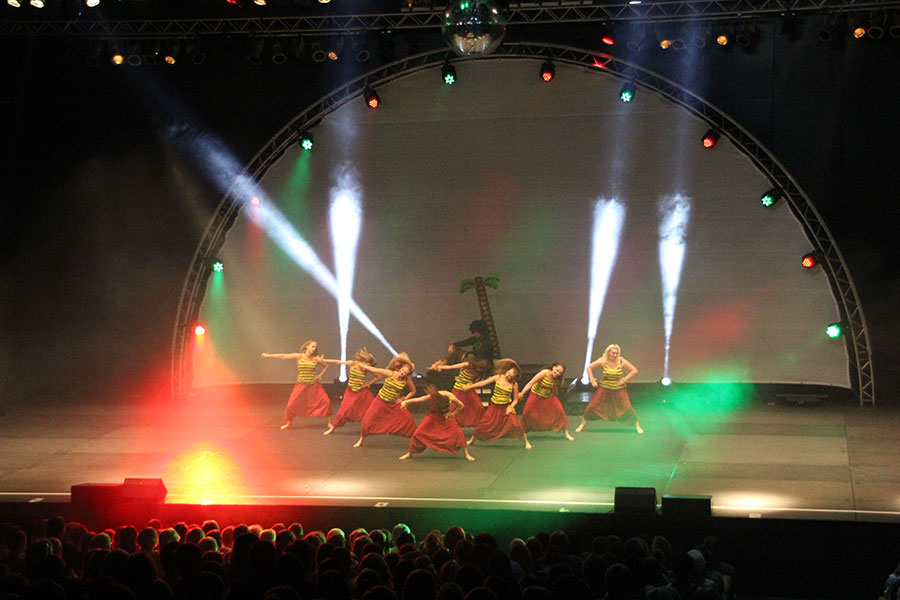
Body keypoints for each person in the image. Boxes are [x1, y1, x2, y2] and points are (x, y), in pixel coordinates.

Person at [261, 340, 332, 431]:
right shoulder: (299, 356)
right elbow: (284, 356)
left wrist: (319, 376)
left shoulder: (315, 358)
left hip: (314, 385)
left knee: (326, 401)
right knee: (291, 404)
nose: (314, 349)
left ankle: (329, 423)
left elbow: (326, 366)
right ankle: (288, 423)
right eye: (312, 346)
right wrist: (269, 355)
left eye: (315, 347)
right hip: (301, 385)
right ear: (307, 347)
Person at [463, 359, 531, 449]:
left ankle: (526, 442)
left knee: (515, 425)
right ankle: (472, 440)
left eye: (510, 376)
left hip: (505, 407)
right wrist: (470, 387)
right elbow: (483, 383)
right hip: (494, 407)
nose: (507, 375)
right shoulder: (498, 377)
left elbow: (515, 400)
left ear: (514, 377)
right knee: (483, 424)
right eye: (508, 373)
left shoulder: (514, 384)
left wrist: (511, 407)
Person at [354, 353, 418, 448]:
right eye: (402, 370)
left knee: (408, 419)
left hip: (393, 403)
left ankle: (417, 439)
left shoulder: (407, 380)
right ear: (400, 369)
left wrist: (404, 399)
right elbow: (376, 370)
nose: (402, 373)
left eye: (405, 373)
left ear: (407, 374)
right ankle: (361, 439)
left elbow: (413, 391)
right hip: (380, 401)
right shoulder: (391, 374)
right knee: (368, 419)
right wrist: (364, 366)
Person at [576, 343, 643, 434]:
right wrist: (592, 380)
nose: (615, 355)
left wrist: (624, 380)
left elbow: (634, 370)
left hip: (618, 389)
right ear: (608, 352)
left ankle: (637, 425)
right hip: (604, 388)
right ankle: (582, 424)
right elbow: (589, 367)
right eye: (613, 353)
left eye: (616, 353)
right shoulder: (603, 361)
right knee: (592, 406)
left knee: (627, 407)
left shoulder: (621, 361)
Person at [398, 384, 475, 461]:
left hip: (446, 416)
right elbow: (421, 399)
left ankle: (466, 454)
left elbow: (461, 405)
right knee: (417, 433)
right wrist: (406, 401)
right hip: (433, 416)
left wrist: (453, 413)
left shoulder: (450, 396)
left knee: (458, 433)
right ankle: (410, 453)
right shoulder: (433, 396)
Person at [322, 348, 381, 436]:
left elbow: (378, 377)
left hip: (362, 392)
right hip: (350, 392)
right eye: (367, 364)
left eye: (369, 365)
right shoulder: (353, 363)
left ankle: (375, 427)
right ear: (363, 361)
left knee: (371, 410)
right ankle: (333, 428)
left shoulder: (366, 369)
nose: (367, 366)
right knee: (343, 411)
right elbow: (336, 362)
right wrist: (323, 360)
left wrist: (368, 383)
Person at [519, 362, 574, 441]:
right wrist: (522, 393)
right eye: (557, 370)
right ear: (553, 367)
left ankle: (566, 434)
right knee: (526, 412)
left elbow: (555, 389)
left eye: (560, 373)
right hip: (536, 395)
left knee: (560, 410)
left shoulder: (558, 379)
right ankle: (522, 432)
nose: (557, 373)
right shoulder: (544, 373)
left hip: (549, 396)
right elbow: (531, 383)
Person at [429, 356, 489, 427]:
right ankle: (450, 423)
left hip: (469, 391)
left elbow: (475, 383)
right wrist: (439, 367)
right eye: (480, 368)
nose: (480, 370)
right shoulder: (467, 364)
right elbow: (452, 367)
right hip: (458, 390)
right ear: (477, 365)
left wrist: (469, 386)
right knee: (455, 407)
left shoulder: (479, 373)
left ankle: (476, 423)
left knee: (479, 407)